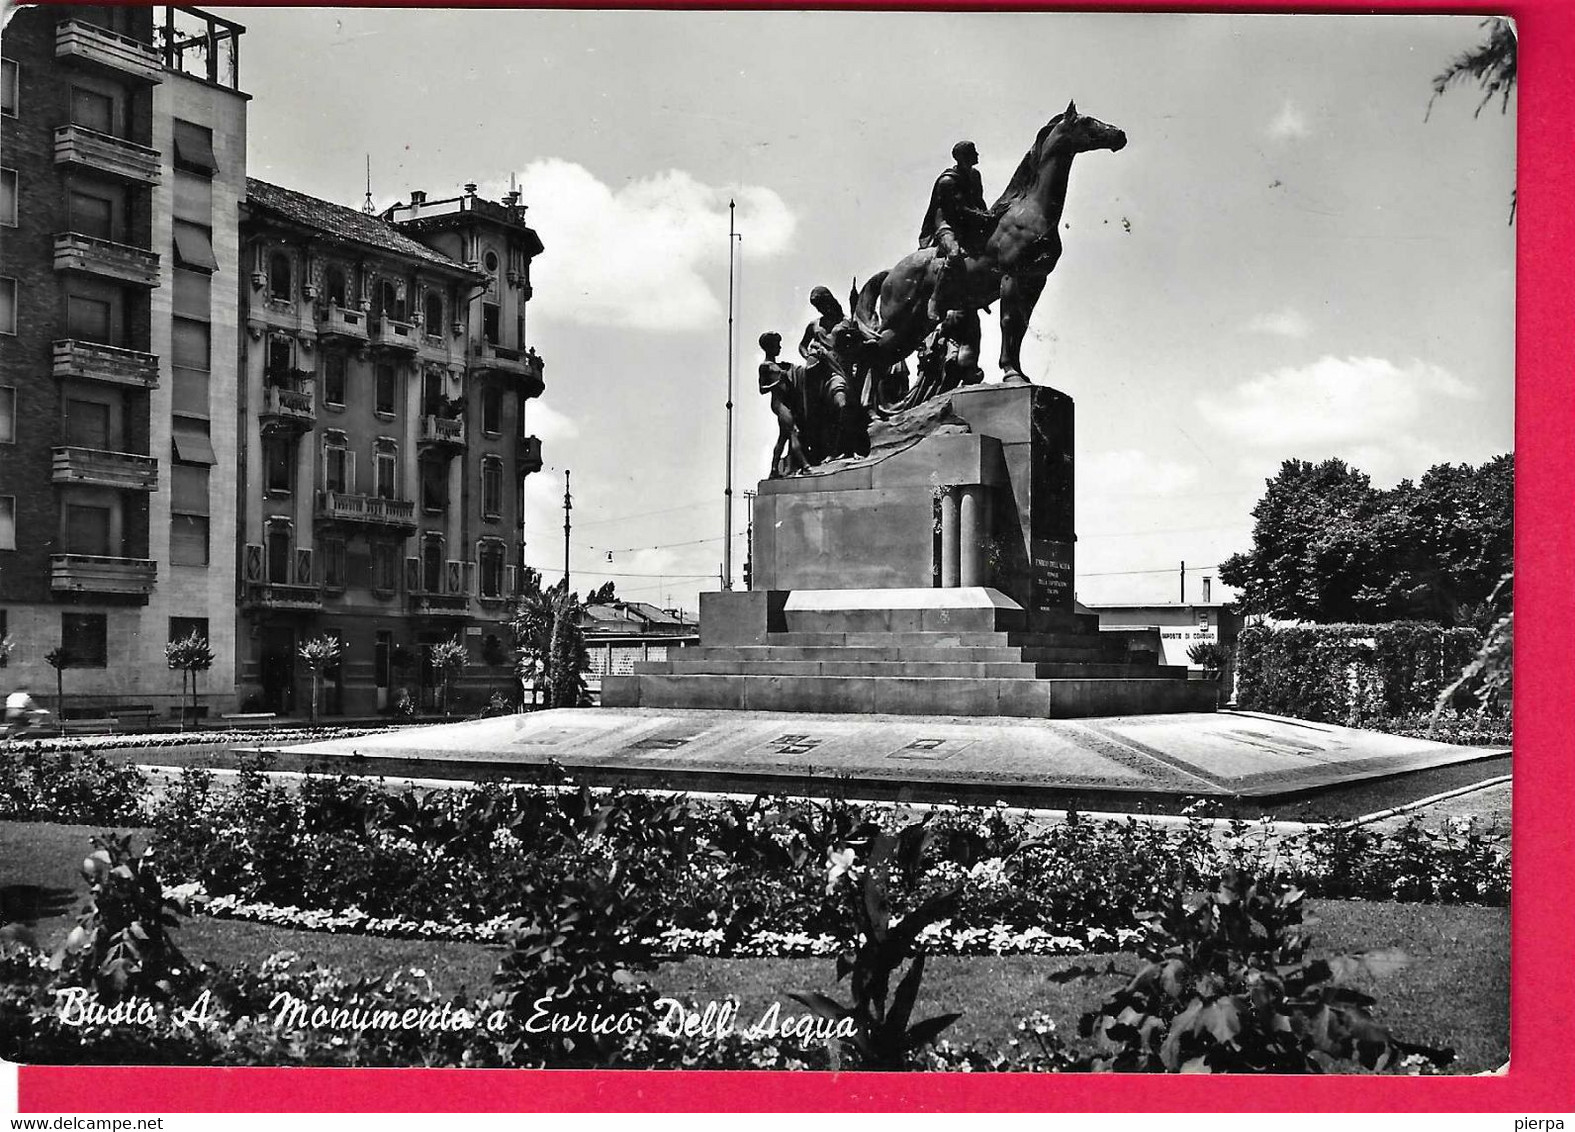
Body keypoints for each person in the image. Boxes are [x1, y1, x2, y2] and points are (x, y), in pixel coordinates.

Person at [918, 140, 994, 320]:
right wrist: (981, 217)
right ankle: (935, 299)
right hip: (947, 224)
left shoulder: (975, 175)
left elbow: (978, 202)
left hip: (968, 222)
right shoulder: (947, 181)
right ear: (963, 157)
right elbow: (955, 211)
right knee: (953, 253)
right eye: (973, 152)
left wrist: (988, 215)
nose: (977, 154)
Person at [757, 332, 809, 477]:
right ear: (769, 347)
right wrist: (777, 382)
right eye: (776, 345)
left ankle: (773, 469)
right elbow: (762, 389)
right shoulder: (765, 366)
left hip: (788, 403)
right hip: (778, 404)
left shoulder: (780, 365)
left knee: (783, 438)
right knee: (793, 432)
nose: (779, 347)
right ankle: (805, 465)